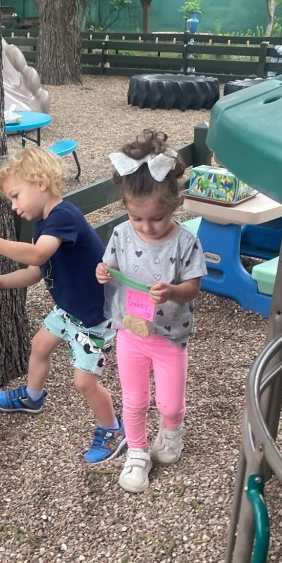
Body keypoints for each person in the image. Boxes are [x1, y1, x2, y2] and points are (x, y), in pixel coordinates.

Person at [0, 146, 124, 464]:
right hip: (68, 308)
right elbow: (36, 271)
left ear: (41, 182)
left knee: (85, 382)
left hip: (94, 316)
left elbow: (38, 255)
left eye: (15, 196)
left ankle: (113, 431)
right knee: (39, 346)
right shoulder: (43, 223)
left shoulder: (64, 216)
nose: (13, 206)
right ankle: (32, 397)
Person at [95, 130, 207, 493]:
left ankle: (171, 432)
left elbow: (194, 286)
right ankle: (137, 452)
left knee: (170, 404)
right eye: (136, 217)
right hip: (130, 332)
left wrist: (172, 291)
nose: (146, 227)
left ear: (176, 204)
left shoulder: (185, 242)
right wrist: (102, 271)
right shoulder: (121, 234)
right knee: (134, 400)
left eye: (156, 218)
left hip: (170, 337)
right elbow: (109, 266)